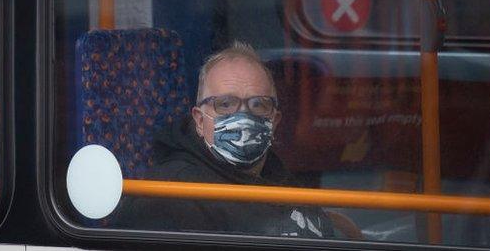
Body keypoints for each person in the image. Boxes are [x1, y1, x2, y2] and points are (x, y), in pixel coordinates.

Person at [111, 41, 335, 238]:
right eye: (226, 105)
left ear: (275, 121)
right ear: (199, 120)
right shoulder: (173, 194)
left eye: (258, 105)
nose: (244, 116)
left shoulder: (281, 179)